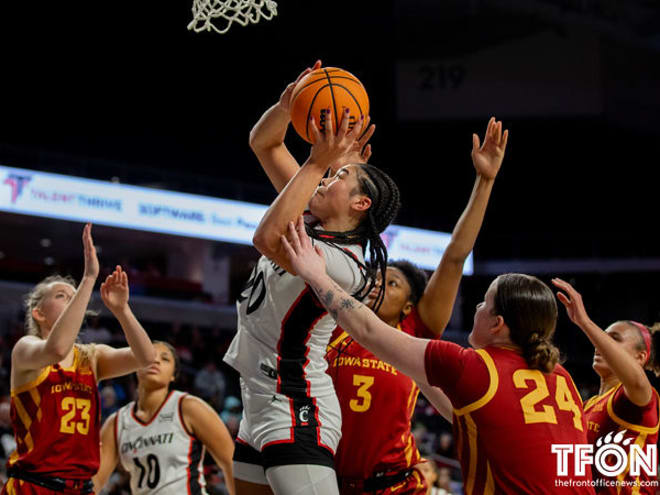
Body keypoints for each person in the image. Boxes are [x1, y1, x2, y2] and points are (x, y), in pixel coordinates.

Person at [282, 219, 596, 494]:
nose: (476, 308)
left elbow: (368, 329)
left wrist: (315, 274)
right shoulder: (561, 377)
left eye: (483, 303)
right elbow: (470, 416)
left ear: (498, 324)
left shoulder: (473, 366)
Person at [225, 64, 401, 495]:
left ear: (360, 203)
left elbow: (266, 238)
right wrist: (288, 107)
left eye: (340, 177)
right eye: (329, 173)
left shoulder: (345, 262)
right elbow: (263, 142)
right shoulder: (311, 218)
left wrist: (317, 159)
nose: (328, 177)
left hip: (296, 405)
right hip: (257, 402)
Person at [326, 117, 507, 494]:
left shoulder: (414, 333)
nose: (378, 283)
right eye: (377, 277)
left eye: (391, 283)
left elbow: (455, 256)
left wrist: (484, 181)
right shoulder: (337, 323)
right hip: (326, 480)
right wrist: (339, 170)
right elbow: (333, 227)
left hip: (395, 484)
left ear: (409, 306)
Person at [2, 223, 156, 495]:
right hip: (34, 486)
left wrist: (122, 310)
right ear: (38, 313)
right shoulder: (26, 348)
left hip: (81, 488)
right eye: (62, 296)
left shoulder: (90, 356)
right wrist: (88, 279)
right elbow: (57, 349)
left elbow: (146, 356)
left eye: (76, 299)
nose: (73, 302)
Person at [552, 278, 660, 493]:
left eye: (613, 339)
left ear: (640, 358)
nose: (599, 343)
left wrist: (584, 322)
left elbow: (638, 381)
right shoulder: (585, 406)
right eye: (602, 337)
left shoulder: (638, 398)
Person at [94, 341, 236, 495]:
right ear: (135, 365)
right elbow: (94, 482)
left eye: (165, 359)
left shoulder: (188, 407)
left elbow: (231, 462)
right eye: (150, 356)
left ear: (173, 375)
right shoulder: (117, 422)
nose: (156, 361)